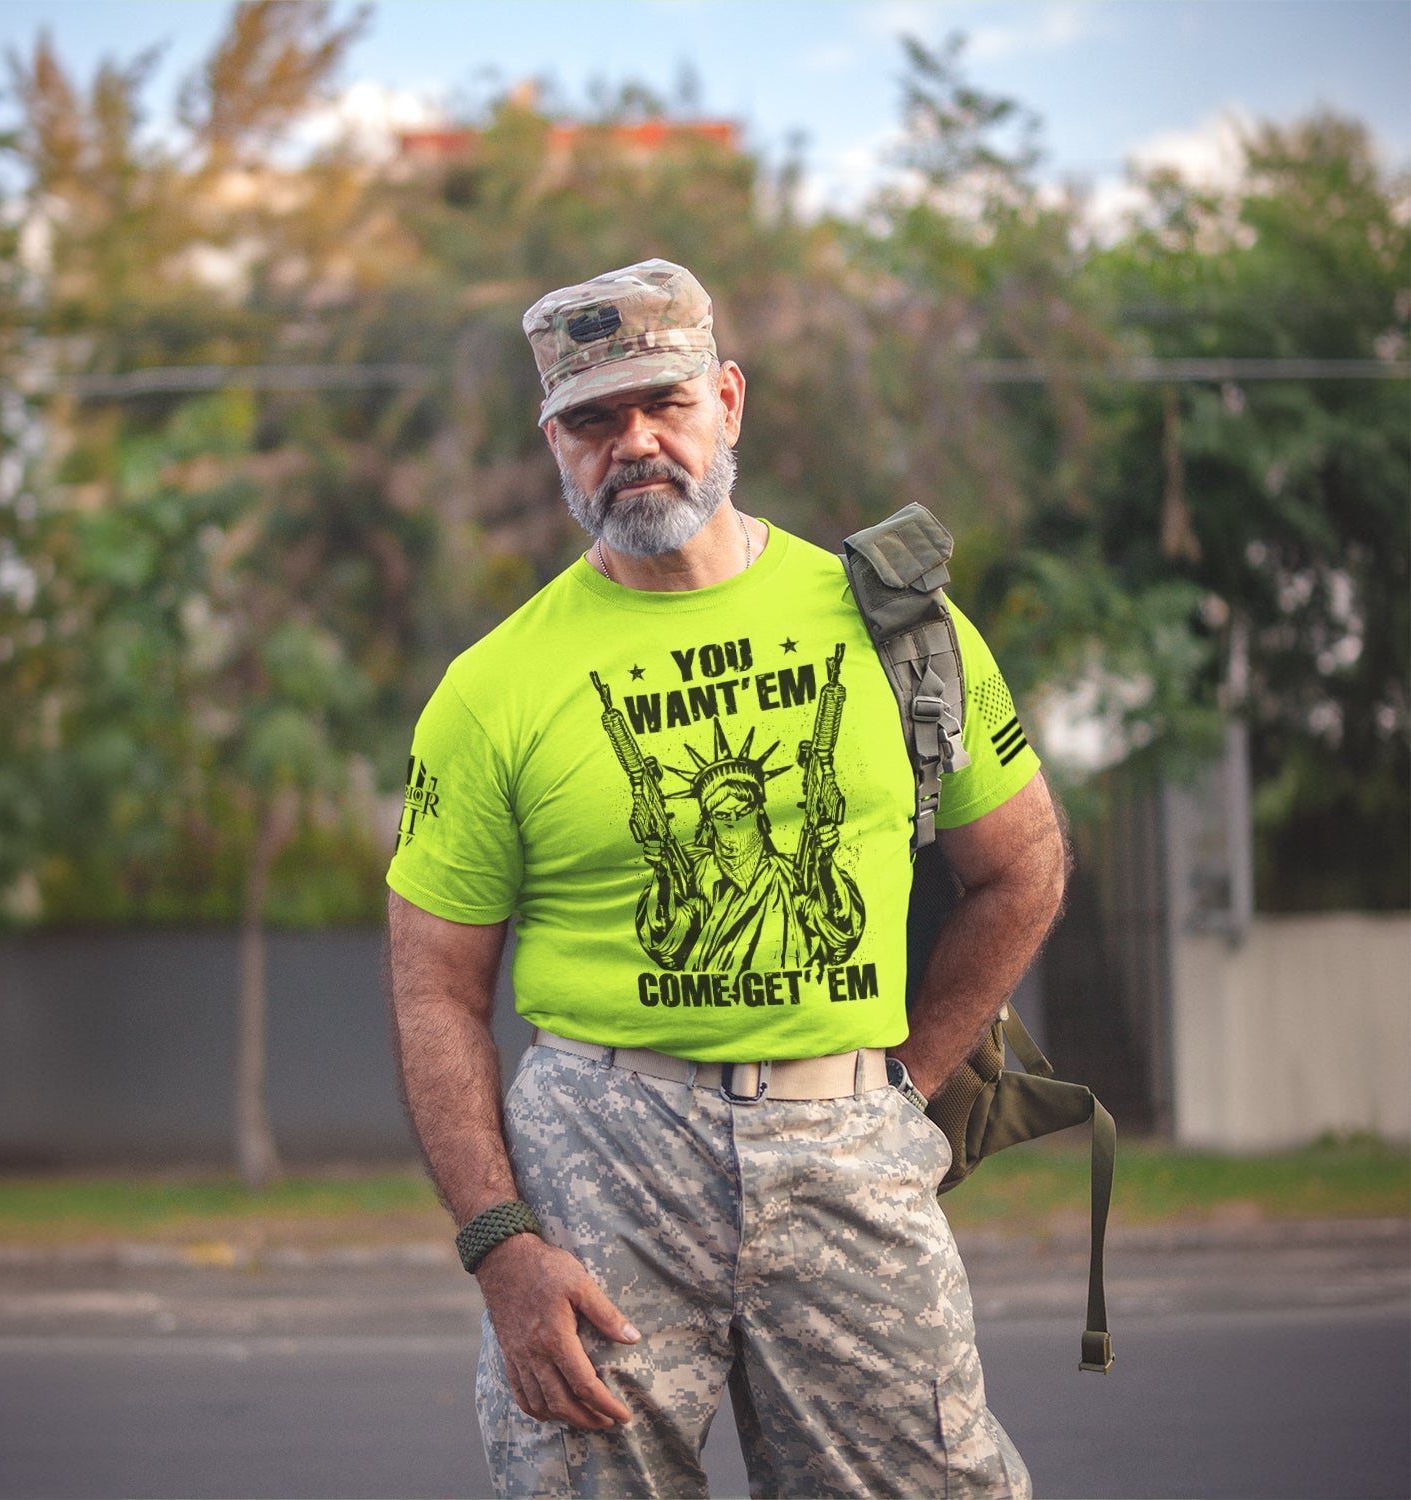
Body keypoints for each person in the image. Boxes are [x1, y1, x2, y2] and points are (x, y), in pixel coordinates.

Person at [386, 258, 1068, 1499]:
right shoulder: (494, 687)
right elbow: (435, 987)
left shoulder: (898, 627)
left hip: (850, 1136)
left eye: (666, 402)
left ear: (730, 403)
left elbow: (1020, 867)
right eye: (593, 419)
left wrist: (904, 1088)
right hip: (601, 1154)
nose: (635, 442)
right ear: (554, 441)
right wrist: (499, 1243)